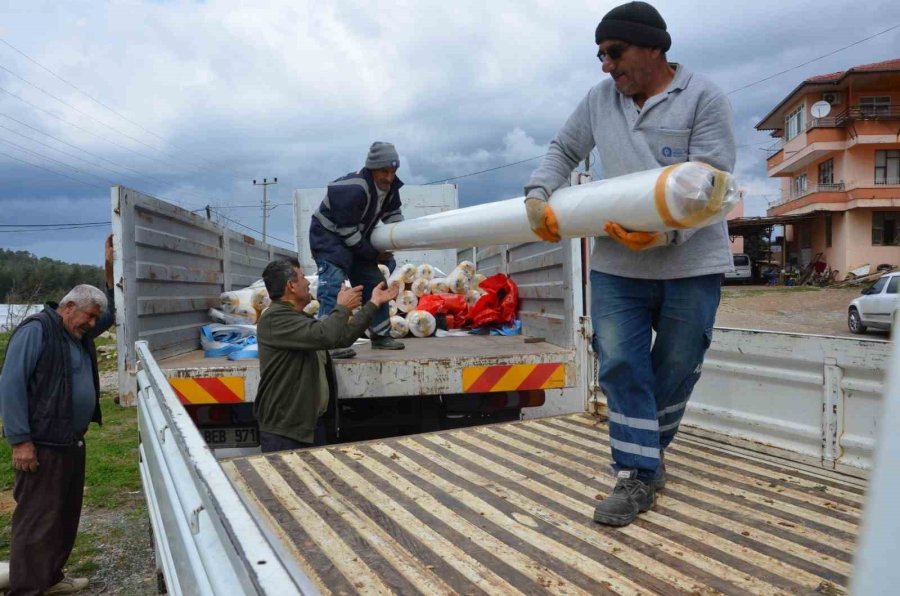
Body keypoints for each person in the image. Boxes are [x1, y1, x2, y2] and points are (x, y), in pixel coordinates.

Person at [523, 1, 736, 526]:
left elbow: (712, 183)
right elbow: (564, 147)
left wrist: (663, 232)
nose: (606, 65)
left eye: (614, 52)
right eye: (599, 55)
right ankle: (637, 473)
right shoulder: (600, 101)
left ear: (653, 47)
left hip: (692, 261)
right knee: (620, 363)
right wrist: (537, 192)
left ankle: (649, 456)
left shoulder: (703, 97)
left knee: (679, 365)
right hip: (618, 262)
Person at [0, 235, 115, 595]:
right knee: (36, 521)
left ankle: (50, 579)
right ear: (67, 307)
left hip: (70, 440)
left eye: (94, 318)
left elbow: (111, 314)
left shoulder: (76, 332)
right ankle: (26, 589)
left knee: (64, 517)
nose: (92, 324)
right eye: (88, 317)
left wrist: (110, 268)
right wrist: (20, 441)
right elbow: (11, 385)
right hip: (41, 444)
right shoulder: (37, 331)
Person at [254, 258, 398, 453]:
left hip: (308, 426)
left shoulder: (297, 319)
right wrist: (342, 307)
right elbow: (327, 334)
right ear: (291, 286)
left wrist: (373, 303)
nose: (307, 283)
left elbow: (342, 338)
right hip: (287, 432)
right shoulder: (274, 319)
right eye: (303, 277)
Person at [309, 141, 406, 350]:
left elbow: (393, 215)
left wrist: (401, 236)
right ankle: (329, 343)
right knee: (333, 287)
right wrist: (373, 254)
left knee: (375, 282)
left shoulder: (390, 187)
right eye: (384, 171)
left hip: (355, 239)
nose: (389, 177)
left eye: (393, 171)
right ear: (372, 168)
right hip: (329, 240)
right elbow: (346, 231)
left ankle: (380, 336)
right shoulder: (353, 188)